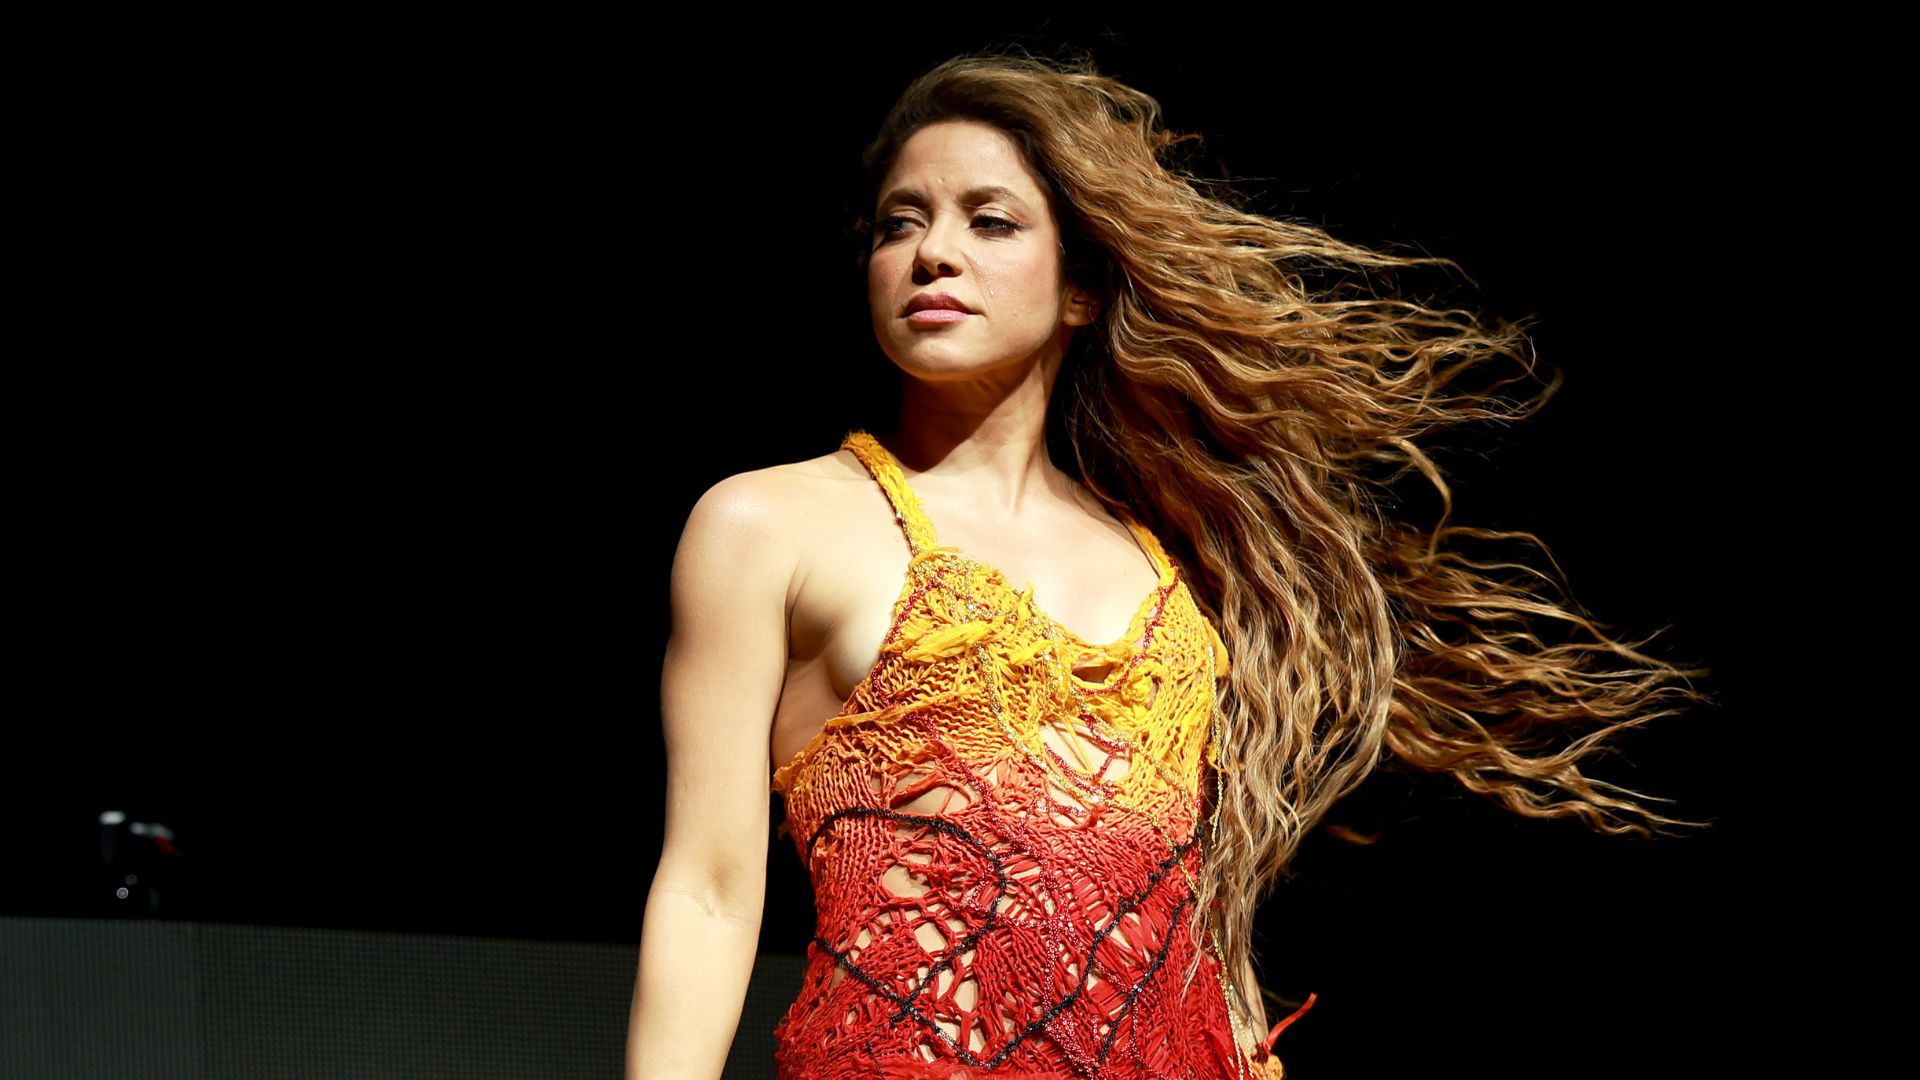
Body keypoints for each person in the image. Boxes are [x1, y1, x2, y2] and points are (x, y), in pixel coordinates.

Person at [627, 53, 1701, 1079]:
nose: (932, 253)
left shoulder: (1168, 564)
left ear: (1083, 288)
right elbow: (710, 889)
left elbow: (1194, 916)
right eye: (899, 223)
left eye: (989, 221)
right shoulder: (768, 525)